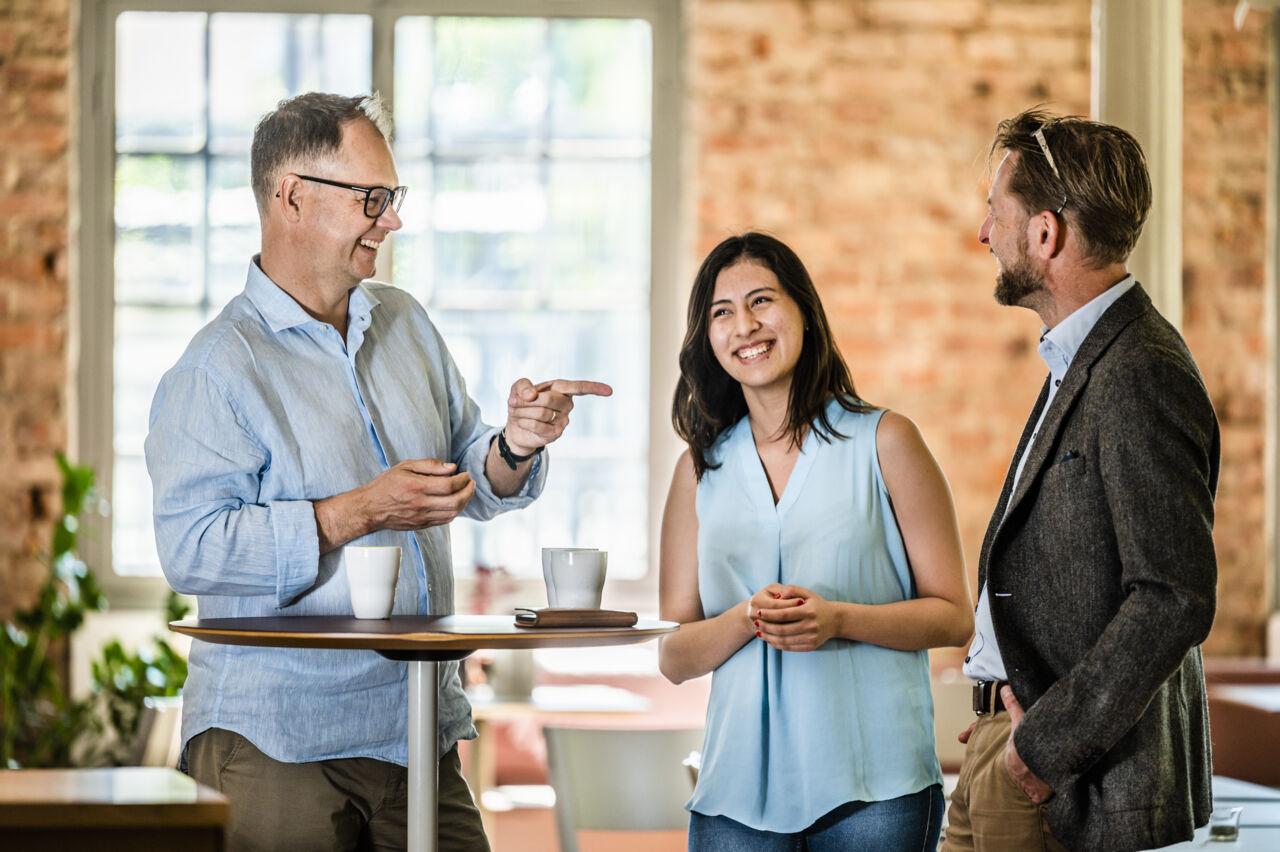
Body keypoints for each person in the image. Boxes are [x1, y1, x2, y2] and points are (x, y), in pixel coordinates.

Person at [144, 91, 610, 852]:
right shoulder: (217, 368)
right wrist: (356, 511)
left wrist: (516, 445)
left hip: (417, 729)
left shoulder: (407, 323)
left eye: (392, 197)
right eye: (372, 198)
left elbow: (465, 472)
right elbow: (192, 549)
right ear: (290, 195)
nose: (391, 219)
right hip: (277, 743)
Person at [942, 108, 1219, 852]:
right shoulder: (1087, 355)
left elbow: (1172, 597)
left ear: (1044, 233)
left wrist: (1043, 744)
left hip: (1067, 782)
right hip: (1008, 740)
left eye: (994, 214)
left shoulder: (1140, 370)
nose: (981, 235)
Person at [658, 232, 974, 850]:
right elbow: (674, 656)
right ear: (707, 338)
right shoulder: (698, 469)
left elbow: (954, 616)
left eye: (762, 302)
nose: (745, 326)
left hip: (877, 787)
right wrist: (750, 617)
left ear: (804, 310)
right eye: (722, 313)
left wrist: (838, 620)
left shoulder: (888, 442)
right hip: (734, 794)